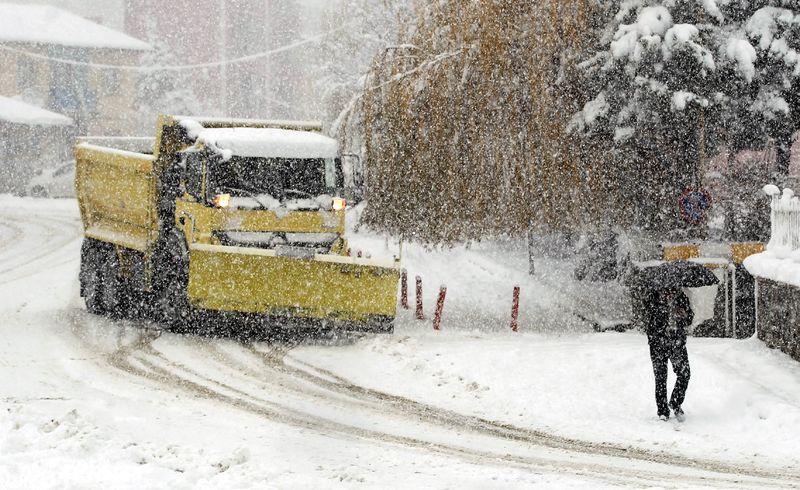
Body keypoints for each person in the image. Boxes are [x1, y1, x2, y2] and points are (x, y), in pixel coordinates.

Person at [644, 287, 693, 422]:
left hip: (676, 343)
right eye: (667, 291)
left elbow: (689, 318)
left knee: (684, 374)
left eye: (673, 291)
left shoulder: (682, 298)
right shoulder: (653, 298)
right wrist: (665, 310)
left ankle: (675, 402)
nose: (670, 294)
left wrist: (684, 314)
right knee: (660, 377)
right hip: (657, 344)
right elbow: (650, 317)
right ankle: (662, 411)